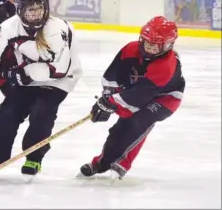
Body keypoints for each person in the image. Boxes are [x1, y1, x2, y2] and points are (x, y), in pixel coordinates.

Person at [0, 0, 82, 177]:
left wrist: (24, 74)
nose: (36, 13)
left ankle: (33, 157)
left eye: (39, 7)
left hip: (58, 81)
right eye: (30, 8)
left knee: (41, 113)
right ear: (20, 9)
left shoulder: (59, 28)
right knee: (8, 113)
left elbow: (59, 69)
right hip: (26, 79)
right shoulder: (9, 27)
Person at [79, 16, 185, 180]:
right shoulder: (131, 49)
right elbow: (113, 75)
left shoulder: (166, 64)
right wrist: (107, 97)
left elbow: (139, 97)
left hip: (165, 98)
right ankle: (101, 163)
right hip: (138, 91)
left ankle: (122, 163)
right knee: (118, 130)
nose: (149, 48)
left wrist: (112, 103)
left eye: (155, 45)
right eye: (147, 42)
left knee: (138, 123)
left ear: (168, 45)